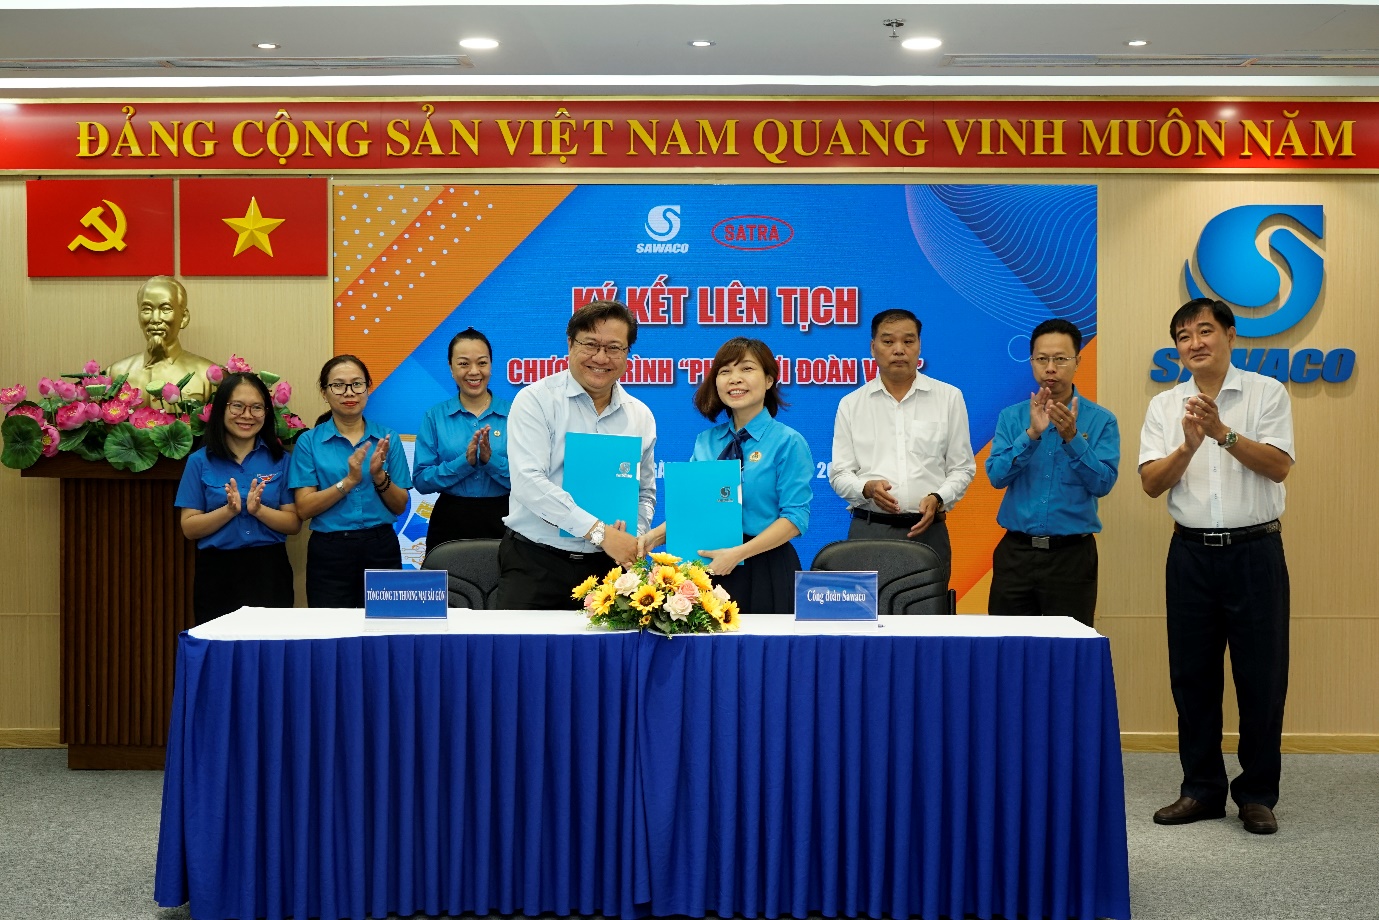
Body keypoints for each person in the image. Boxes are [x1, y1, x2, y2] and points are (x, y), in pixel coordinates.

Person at [1139, 298, 1294, 836]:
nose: (1194, 342)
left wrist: (1223, 434)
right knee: (1192, 679)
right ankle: (1201, 789)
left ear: (1230, 334)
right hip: (1190, 557)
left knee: (1262, 678)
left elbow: (1278, 467)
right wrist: (1187, 446)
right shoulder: (1165, 406)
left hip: (1256, 553)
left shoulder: (1266, 393)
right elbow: (1152, 483)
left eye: (1205, 330)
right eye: (1183, 336)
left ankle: (1256, 794)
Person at [498, 301, 656, 610]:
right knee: (526, 658)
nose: (601, 358)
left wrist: (632, 539)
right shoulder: (536, 400)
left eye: (614, 348)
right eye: (590, 345)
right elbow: (529, 484)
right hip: (536, 563)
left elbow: (645, 491)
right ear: (570, 344)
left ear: (628, 354)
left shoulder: (641, 416)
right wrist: (600, 533)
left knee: (607, 659)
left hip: (608, 569)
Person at [640, 337, 813, 615]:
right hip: (706, 564)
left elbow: (794, 519)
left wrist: (738, 554)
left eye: (746, 369)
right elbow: (694, 509)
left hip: (764, 566)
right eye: (725, 371)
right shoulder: (706, 441)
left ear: (769, 380)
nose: (735, 379)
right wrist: (653, 538)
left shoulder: (788, 442)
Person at [985, 318, 1119, 627]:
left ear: (1077, 362)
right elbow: (996, 477)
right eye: (1042, 359)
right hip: (1016, 555)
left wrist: (1073, 438)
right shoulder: (1011, 417)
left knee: (1068, 655)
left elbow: (1103, 483)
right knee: (1007, 651)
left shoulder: (1101, 421)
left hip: (1071, 557)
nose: (1050, 368)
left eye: (1060, 359)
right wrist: (1031, 434)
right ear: (1031, 361)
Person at [829, 308, 975, 586]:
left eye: (908, 341)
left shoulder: (949, 398)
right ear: (873, 348)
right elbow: (839, 474)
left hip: (927, 531)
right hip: (868, 530)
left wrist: (939, 497)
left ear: (919, 345)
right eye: (888, 342)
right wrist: (866, 488)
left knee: (927, 621)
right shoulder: (851, 404)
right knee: (865, 623)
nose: (899, 350)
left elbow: (962, 468)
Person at [289, 354, 414, 608]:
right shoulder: (309, 442)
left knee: (386, 631)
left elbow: (400, 506)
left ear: (368, 388)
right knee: (331, 635)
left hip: (381, 547)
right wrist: (348, 481)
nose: (349, 392)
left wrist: (379, 476)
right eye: (338, 385)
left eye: (357, 384)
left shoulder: (387, 438)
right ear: (324, 392)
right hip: (330, 551)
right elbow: (303, 509)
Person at [174, 372, 299, 624]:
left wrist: (259, 510)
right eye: (237, 406)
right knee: (222, 655)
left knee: (270, 653)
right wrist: (228, 511)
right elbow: (189, 527)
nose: (247, 415)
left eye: (256, 408)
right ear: (222, 409)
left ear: (266, 413)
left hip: (270, 570)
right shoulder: (199, 461)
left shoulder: (280, 460)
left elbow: (294, 523)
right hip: (218, 573)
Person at [413, 327, 511, 549]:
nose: (474, 371)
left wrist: (490, 461)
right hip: (450, 520)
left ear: (491, 366)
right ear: (451, 368)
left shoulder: (515, 414)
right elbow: (421, 480)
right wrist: (464, 463)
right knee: (449, 584)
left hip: (505, 517)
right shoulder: (434, 416)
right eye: (464, 363)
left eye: (482, 363)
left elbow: (528, 477)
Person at [107, 276, 215, 406]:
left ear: (184, 317)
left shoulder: (207, 375)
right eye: (147, 309)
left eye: (165, 309)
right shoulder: (116, 373)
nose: (155, 319)